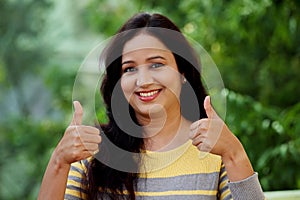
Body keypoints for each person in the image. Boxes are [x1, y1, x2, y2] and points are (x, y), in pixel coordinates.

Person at [38, 12, 265, 200]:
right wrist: (59, 160)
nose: (143, 80)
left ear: (182, 72)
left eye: (157, 64)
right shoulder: (93, 151)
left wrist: (235, 153)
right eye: (129, 69)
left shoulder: (215, 149)